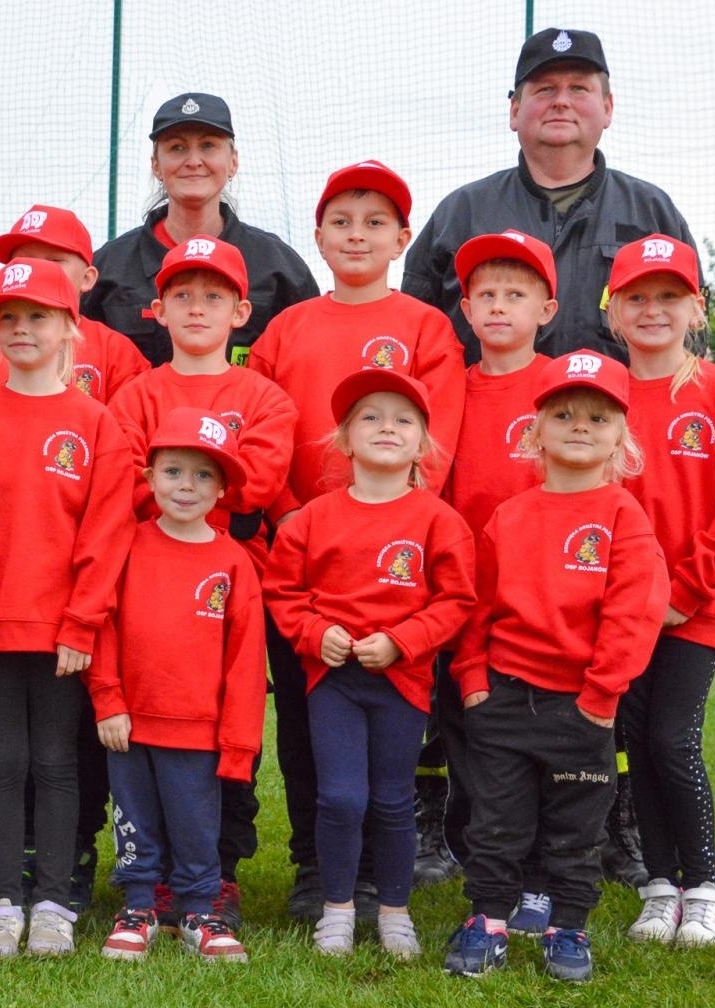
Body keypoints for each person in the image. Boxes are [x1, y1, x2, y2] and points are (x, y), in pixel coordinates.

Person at [249, 160, 465, 919]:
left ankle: (379, 868)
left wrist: (391, 537)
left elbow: (434, 449)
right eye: (341, 221)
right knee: (310, 720)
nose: (357, 235)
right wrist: (292, 524)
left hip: (396, 571)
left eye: (375, 222)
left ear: (403, 238)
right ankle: (316, 866)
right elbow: (263, 439)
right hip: (304, 563)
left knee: (390, 724)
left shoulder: (424, 328)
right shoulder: (288, 328)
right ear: (318, 236)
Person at [0, 204, 150, 911]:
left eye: (37, 316)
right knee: (4, 763)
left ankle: (54, 901)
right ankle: (3, 902)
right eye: (7, 318)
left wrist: (84, 623)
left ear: (70, 328)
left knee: (58, 762)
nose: (21, 329)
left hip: (65, 631)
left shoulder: (98, 424)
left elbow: (106, 533)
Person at [445, 352, 668, 982]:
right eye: (563, 413)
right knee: (495, 822)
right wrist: (473, 680)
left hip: (582, 706)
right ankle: (486, 919)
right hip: (505, 701)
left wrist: (600, 698)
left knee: (575, 828)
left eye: (599, 417)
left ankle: (567, 926)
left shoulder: (624, 516)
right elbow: (477, 607)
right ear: (534, 429)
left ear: (621, 435)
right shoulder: (508, 517)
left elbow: (635, 612)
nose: (580, 426)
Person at [106, 235, 294, 930]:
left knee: (224, 725)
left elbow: (259, 485)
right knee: (146, 731)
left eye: (213, 296)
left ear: (241, 311)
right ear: (156, 308)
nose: (196, 307)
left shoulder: (264, 397)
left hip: (237, 582)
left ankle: (220, 873)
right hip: (151, 579)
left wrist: (187, 495)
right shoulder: (136, 395)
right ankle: (148, 879)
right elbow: (121, 481)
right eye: (182, 294)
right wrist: (194, 496)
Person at [263, 370, 475, 960]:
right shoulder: (310, 520)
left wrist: (403, 642)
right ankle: (336, 908)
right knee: (339, 798)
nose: (387, 427)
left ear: (423, 444)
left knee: (390, 798)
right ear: (344, 440)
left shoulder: (439, 521)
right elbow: (284, 593)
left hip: (401, 684)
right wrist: (315, 632)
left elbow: (455, 600)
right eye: (370, 417)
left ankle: (394, 911)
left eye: (403, 419)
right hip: (334, 684)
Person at [606, 235, 715, 948]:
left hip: (696, 607)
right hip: (622, 612)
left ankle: (704, 887)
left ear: (696, 309)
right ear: (612, 312)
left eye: (669, 297)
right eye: (637, 298)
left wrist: (686, 592)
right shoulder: (599, 396)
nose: (653, 311)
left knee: (674, 739)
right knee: (637, 745)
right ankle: (659, 885)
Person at [403, 28, 695, 366]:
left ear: (607, 108)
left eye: (578, 88)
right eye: (544, 89)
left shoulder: (653, 213)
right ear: (514, 111)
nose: (561, 101)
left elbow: (692, 338)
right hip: (483, 416)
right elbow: (414, 334)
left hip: (623, 418)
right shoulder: (461, 213)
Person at [90, 408, 265, 963]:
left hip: (199, 730)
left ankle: (199, 911)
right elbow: (104, 628)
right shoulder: (126, 545)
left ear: (222, 491)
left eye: (203, 475)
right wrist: (108, 701)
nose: (186, 486)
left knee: (196, 825)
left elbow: (244, 664)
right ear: (149, 477)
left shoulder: (234, 563)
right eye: (173, 471)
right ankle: (138, 907)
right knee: (135, 818)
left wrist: (238, 746)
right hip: (131, 724)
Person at [436, 229, 557, 930]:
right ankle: (491, 873)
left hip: (545, 602)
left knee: (547, 742)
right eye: (486, 294)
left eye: (517, 294)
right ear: (465, 306)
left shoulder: (563, 383)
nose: (500, 306)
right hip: (466, 601)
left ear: (548, 306)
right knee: (478, 744)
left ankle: (543, 875)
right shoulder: (450, 386)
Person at [83, 92, 319, 369]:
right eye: (177, 148)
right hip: (134, 413)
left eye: (208, 146)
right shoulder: (110, 267)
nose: (193, 160)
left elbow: (310, 359)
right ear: (156, 165)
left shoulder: (277, 265)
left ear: (233, 162)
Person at [0, 204, 149, 413]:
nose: (37, 272)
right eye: (26, 261)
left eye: (53, 261)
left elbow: (127, 438)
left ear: (87, 278)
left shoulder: (118, 354)